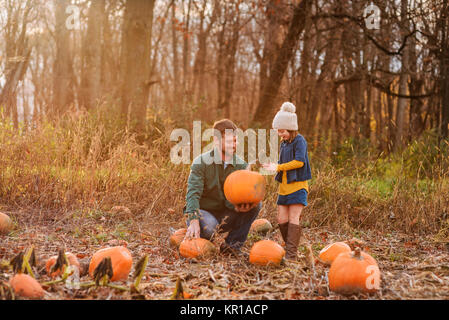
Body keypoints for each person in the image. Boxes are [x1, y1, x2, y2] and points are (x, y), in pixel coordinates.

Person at [183, 119, 261, 256]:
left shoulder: (241, 166)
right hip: (204, 213)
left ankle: (232, 246)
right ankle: (197, 237)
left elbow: (240, 194)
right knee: (209, 228)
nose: (234, 145)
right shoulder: (201, 162)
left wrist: (240, 206)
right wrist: (194, 218)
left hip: (226, 214)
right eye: (230, 141)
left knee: (256, 204)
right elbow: (192, 193)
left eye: (236, 141)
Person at [262, 102, 312, 260]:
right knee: (281, 219)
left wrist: (278, 167)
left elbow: (299, 162)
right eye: (278, 131)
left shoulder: (300, 141)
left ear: (291, 128)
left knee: (293, 218)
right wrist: (273, 167)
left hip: (298, 186)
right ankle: (291, 245)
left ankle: (291, 254)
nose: (280, 134)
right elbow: (281, 166)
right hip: (284, 186)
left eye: (282, 131)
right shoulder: (284, 144)